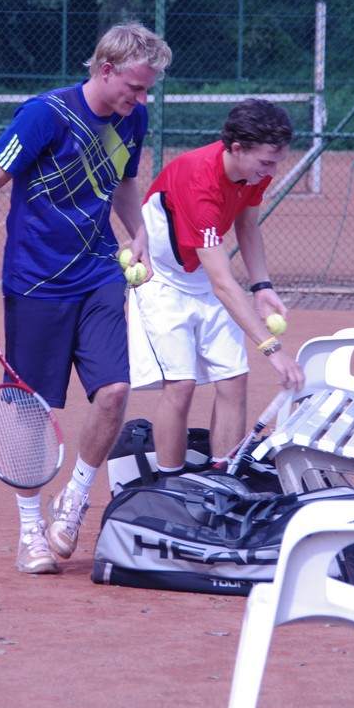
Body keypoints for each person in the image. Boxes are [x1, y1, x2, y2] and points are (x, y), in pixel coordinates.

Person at [0, 22, 172, 574]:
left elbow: (122, 180)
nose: (141, 99)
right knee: (34, 411)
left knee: (115, 391)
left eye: (147, 90)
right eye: (136, 86)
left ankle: (74, 501)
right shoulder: (45, 115)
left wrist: (139, 234)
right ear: (106, 69)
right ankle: (30, 530)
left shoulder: (131, 118)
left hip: (99, 274)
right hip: (35, 282)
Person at [128, 97, 305, 474]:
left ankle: (223, 476)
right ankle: (171, 484)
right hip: (163, 282)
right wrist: (272, 349)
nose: (273, 171)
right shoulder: (199, 180)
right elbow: (223, 283)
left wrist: (262, 286)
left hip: (203, 277)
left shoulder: (253, 171)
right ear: (237, 148)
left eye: (277, 161)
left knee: (233, 379)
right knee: (181, 385)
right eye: (267, 162)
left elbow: (247, 225)